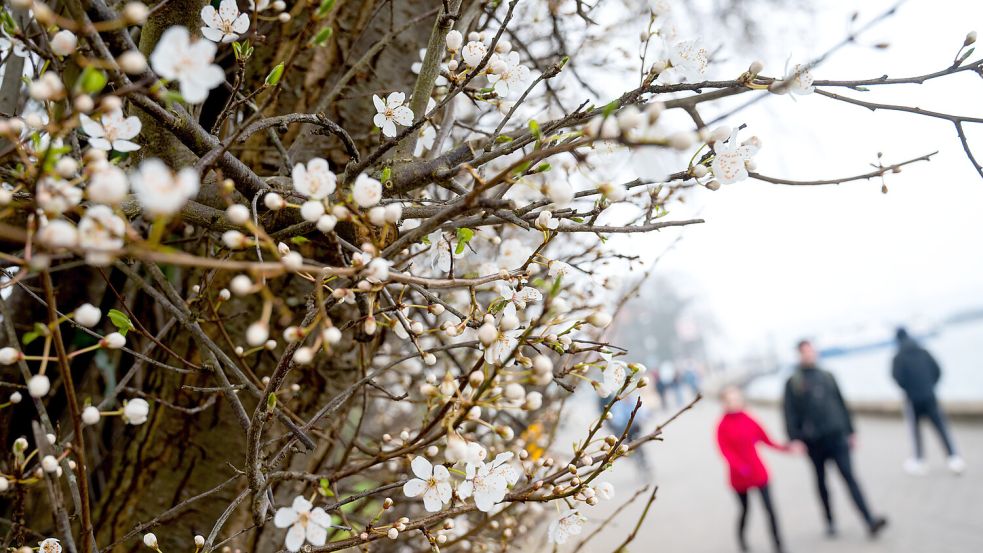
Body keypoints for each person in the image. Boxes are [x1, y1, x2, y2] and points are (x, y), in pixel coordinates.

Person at [783, 340, 888, 538]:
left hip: (837, 437)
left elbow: (841, 403)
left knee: (850, 477)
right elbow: (789, 413)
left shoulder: (827, 376)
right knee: (822, 482)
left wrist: (851, 431)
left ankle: (869, 519)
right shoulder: (793, 382)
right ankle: (830, 521)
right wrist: (794, 438)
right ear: (799, 354)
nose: (810, 355)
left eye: (812, 351)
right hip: (813, 442)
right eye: (805, 352)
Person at [716, 386, 788, 553]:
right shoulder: (722, 426)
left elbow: (767, 440)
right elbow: (725, 451)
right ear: (724, 403)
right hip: (739, 477)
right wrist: (740, 467)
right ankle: (742, 540)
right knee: (745, 510)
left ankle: (778, 545)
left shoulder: (749, 419)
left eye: (737, 399)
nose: (735, 403)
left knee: (770, 510)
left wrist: (787, 448)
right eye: (730, 400)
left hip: (758, 472)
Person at [891, 327, 965, 475]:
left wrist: (910, 389)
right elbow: (937, 370)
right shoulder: (923, 351)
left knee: (915, 432)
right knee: (941, 427)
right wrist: (930, 386)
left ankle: (919, 461)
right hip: (930, 396)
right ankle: (953, 458)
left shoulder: (898, 357)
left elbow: (897, 377)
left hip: (913, 400)